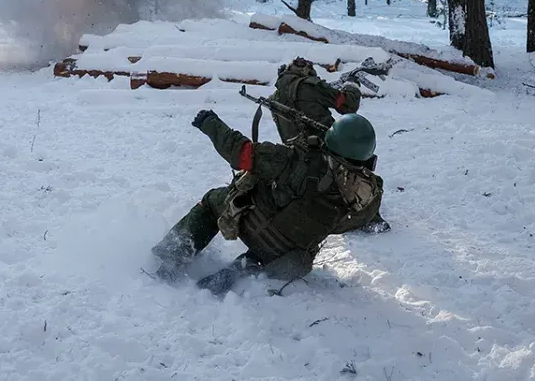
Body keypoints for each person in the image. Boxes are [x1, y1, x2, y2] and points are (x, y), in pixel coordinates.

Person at [151, 108, 382, 296]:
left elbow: (241, 154)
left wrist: (209, 122)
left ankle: (172, 259)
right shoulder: (368, 195)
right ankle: (249, 265)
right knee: (297, 236)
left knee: (212, 201)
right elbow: (344, 222)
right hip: (288, 260)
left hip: (255, 228)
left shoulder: (296, 159)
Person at [273, 57, 390, 233]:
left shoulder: (275, 97)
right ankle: (370, 216)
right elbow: (348, 105)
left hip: (300, 160)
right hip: (330, 150)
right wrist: (352, 85)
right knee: (364, 175)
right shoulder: (310, 86)